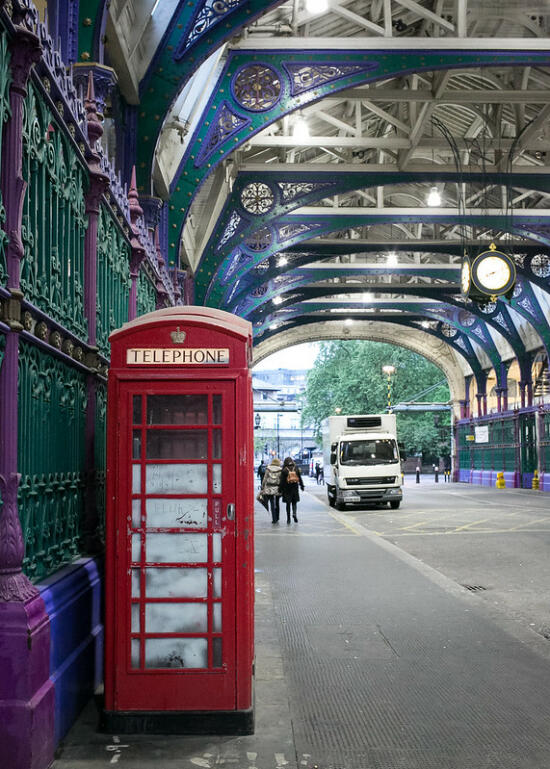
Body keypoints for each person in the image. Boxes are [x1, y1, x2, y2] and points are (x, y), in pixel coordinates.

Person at [279, 456, 305, 524]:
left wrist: (280, 489)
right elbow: (300, 478)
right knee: (294, 502)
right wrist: (302, 486)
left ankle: (288, 519)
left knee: (288, 504)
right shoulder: (296, 468)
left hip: (287, 489)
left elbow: (282, 481)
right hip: (295, 488)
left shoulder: (284, 470)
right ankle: (294, 514)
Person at [260, 457, 282, 523]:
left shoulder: (268, 469)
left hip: (269, 487)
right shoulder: (280, 470)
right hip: (277, 487)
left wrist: (262, 486)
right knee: (277, 502)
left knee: (272, 502)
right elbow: (281, 479)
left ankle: (274, 519)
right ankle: (277, 517)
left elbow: (265, 478)